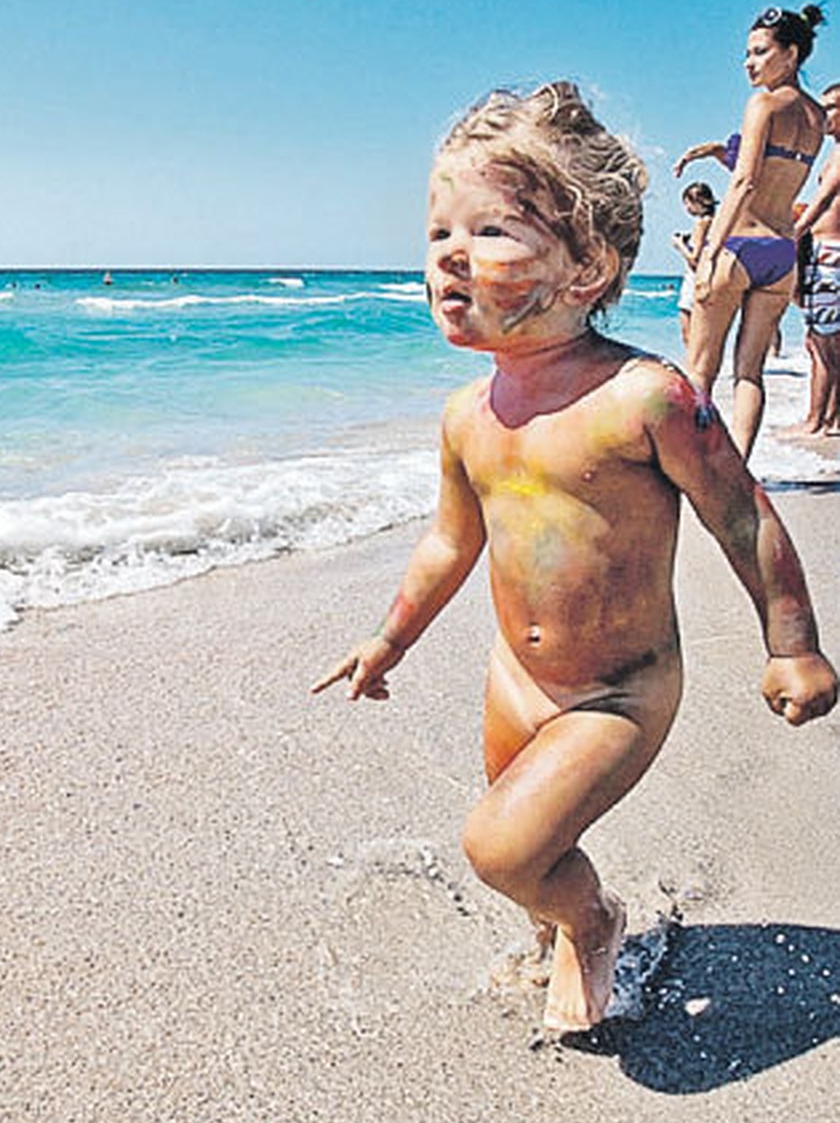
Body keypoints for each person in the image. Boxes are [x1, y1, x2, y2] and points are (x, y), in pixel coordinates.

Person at [312, 81, 837, 1033]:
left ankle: (595, 924)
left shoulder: (646, 399)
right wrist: (388, 640)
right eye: (438, 236)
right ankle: (557, 931)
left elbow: (741, 518)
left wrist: (792, 643)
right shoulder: (466, 418)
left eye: (491, 233)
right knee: (528, 849)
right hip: (515, 682)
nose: (450, 260)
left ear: (588, 265)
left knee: (504, 846)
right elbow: (449, 543)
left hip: (621, 691)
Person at [673, 4, 826, 460]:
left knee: (700, 371)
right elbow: (778, 168)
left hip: (739, 246)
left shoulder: (762, 103)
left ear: (792, 53)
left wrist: (708, 254)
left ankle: (694, 466)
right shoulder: (817, 117)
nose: (749, 62)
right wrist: (720, 151)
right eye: (747, 53)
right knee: (749, 374)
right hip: (781, 254)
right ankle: (738, 466)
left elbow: (745, 182)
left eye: (760, 52)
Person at [792, 82, 840, 434]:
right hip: (827, 252)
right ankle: (831, 419)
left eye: (832, 108)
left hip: (829, 254)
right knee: (828, 341)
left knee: (820, 343)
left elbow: (824, 200)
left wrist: (793, 233)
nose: (824, 115)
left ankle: (815, 422)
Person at [671, 182, 716, 346]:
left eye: (687, 203)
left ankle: (692, 368)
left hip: (696, 278)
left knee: (687, 329)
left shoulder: (701, 223)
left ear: (697, 202)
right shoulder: (717, 221)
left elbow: (694, 259)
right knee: (705, 331)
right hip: (712, 277)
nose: (687, 208)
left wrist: (679, 245)